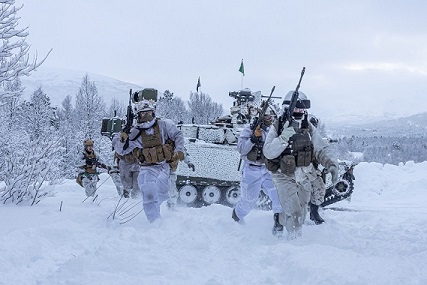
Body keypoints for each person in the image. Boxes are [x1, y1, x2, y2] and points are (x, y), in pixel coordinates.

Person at [263, 91, 339, 238]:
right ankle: (294, 245)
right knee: (296, 214)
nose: (299, 112)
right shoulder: (278, 126)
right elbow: (268, 152)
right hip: (283, 175)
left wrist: (332, 164)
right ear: (287, 109)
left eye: (302, 109)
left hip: (304, 175)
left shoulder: (307, 126)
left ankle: (279, 219)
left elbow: (320, 148)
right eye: (296, 109)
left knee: (302, 211)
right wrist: (284, 137)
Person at [118, 100, 185, 224]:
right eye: (143, 114)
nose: (146, 116)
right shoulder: (135, 132)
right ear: (138, 116)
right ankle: (154, 222)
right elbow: (122, 150)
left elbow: (178, 135)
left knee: (163, 194)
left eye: (149, 113)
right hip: (146, 168)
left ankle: (154, 205)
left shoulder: (164, 125)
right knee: (149, 192)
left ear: (153, 113)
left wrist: (180, 150)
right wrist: (121, 138)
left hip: (163, 166)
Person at [231, 104, 284, 236]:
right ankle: (235, 218)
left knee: (279, 195)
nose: (270, 118)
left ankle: (278, 224)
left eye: (272, 116)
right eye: (267, 115)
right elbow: (242, 150)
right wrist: (253, 139)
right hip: (251, 170)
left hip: (268, 169)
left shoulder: (273, 131)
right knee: (248, 202)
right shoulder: (249, 130)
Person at [112, 131, 140, 199]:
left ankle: (136, 200)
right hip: (124, 162)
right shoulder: (120, 134)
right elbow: (116, 146)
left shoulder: (139, 132)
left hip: (137, 162)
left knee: (137, 185)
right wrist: (122, 140)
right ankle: (125, 198)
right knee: (126, 184)